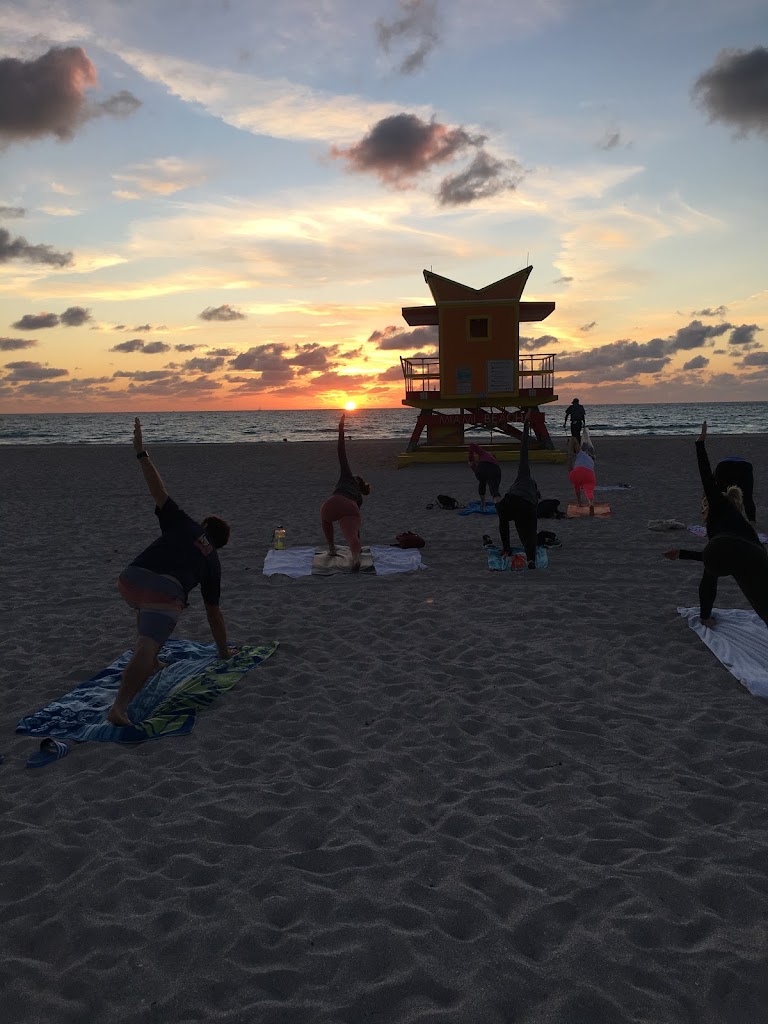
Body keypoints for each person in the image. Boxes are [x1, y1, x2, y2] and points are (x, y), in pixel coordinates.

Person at [108, 418, 233, 726]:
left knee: (148, 607)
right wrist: (223, 652)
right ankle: (120, 707)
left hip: (129, 579)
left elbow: (158, 489)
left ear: (204, 525)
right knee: (148, 642)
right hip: (163, 592)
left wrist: (141, 453)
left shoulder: (186, 523)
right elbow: (214, 613)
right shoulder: (213, 562)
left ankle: (151, 662)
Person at [663, 421, 768, 629]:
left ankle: (705, 617)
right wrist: (682, 554)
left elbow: (706, 476)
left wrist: (700, 443)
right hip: (753, 559)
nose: (702, 510)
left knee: (710, 572)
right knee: (762, 605)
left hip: (733, 553)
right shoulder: (734, 522)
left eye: (704, 506)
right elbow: (713, 556)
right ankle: (706, 616)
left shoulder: (720, 506)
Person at [320, 412, 371, 570]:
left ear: (356, 479)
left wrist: (341, 428)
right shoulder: (359, 498)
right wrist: (358, 544)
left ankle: (331, 548)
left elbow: (341, 453)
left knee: (325, 519)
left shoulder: (347, 476)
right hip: (350, 507)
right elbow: (356, 527)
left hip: (334, 502)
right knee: (351, 536)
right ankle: (355, 557)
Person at [494, 412, 540, 568]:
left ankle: (506, 549)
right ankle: (531, 559)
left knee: (503, 519)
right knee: (527, 534)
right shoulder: (534, 498)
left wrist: (526, 424)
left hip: (512, 500)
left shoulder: (524, 476)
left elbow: (523, 451)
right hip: (527, 507)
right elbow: (532, 530)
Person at [714, 456, 756, 524]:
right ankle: (752, 520)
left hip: (724, 466)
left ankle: (720, 519)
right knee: (747, 497)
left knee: (721, 496)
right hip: (744, 466)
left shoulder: (718, 469)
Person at [467, 442, 501, 510]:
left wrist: (471, 461)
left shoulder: (484, 454)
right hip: (494, 469)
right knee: (494, 491)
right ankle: (499, 507)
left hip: (482, 468)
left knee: (482, 483)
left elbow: (472, 444)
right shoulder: (494, 461)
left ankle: (483, 504)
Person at [569, 440, 597, 515]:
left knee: (577, 487)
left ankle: (579, 502)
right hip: (588, 474)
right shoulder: (591, 461)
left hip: (576, 472)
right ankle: (591, 503)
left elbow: (574, 440)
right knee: (589, 490)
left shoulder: (581, 453)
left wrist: (570, 450)